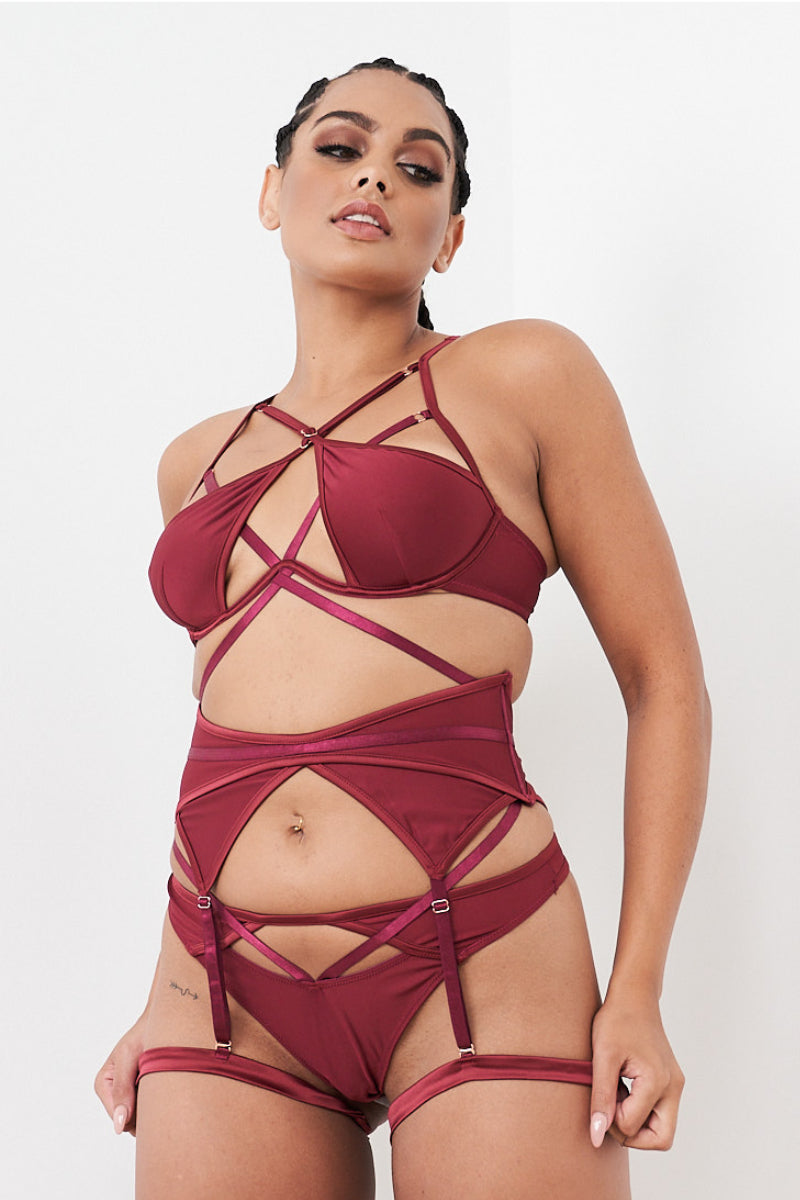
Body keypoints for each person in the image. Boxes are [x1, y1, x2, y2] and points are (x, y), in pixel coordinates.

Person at [94, 57, 710, 1200]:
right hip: (221, 983)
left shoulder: (525, 375)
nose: (374, 174)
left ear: (451, 237)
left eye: (417, 168)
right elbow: (238, 723)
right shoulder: (194, 463)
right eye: (339, 148)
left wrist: (636, 990)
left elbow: (661, 678)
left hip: (480, 950)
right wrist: (158, 996)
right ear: (271, 193)